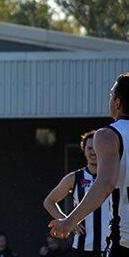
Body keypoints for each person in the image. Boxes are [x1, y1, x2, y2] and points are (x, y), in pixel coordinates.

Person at [49, 72, 129, 256]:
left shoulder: (109, 134)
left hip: (124, 237)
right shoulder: (75, 177)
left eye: (111, 95)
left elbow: (106, 184)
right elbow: (50, 200)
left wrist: (70, 221)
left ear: (117, 103)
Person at [43, 130, 111, 257]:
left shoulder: (113, 177)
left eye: (96, 148)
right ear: (84, 150)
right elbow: (49, 201)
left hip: (110, 247)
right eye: (89, 148)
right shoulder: (74, 178)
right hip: (82, 247)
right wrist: (66, 220)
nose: (93, 152)